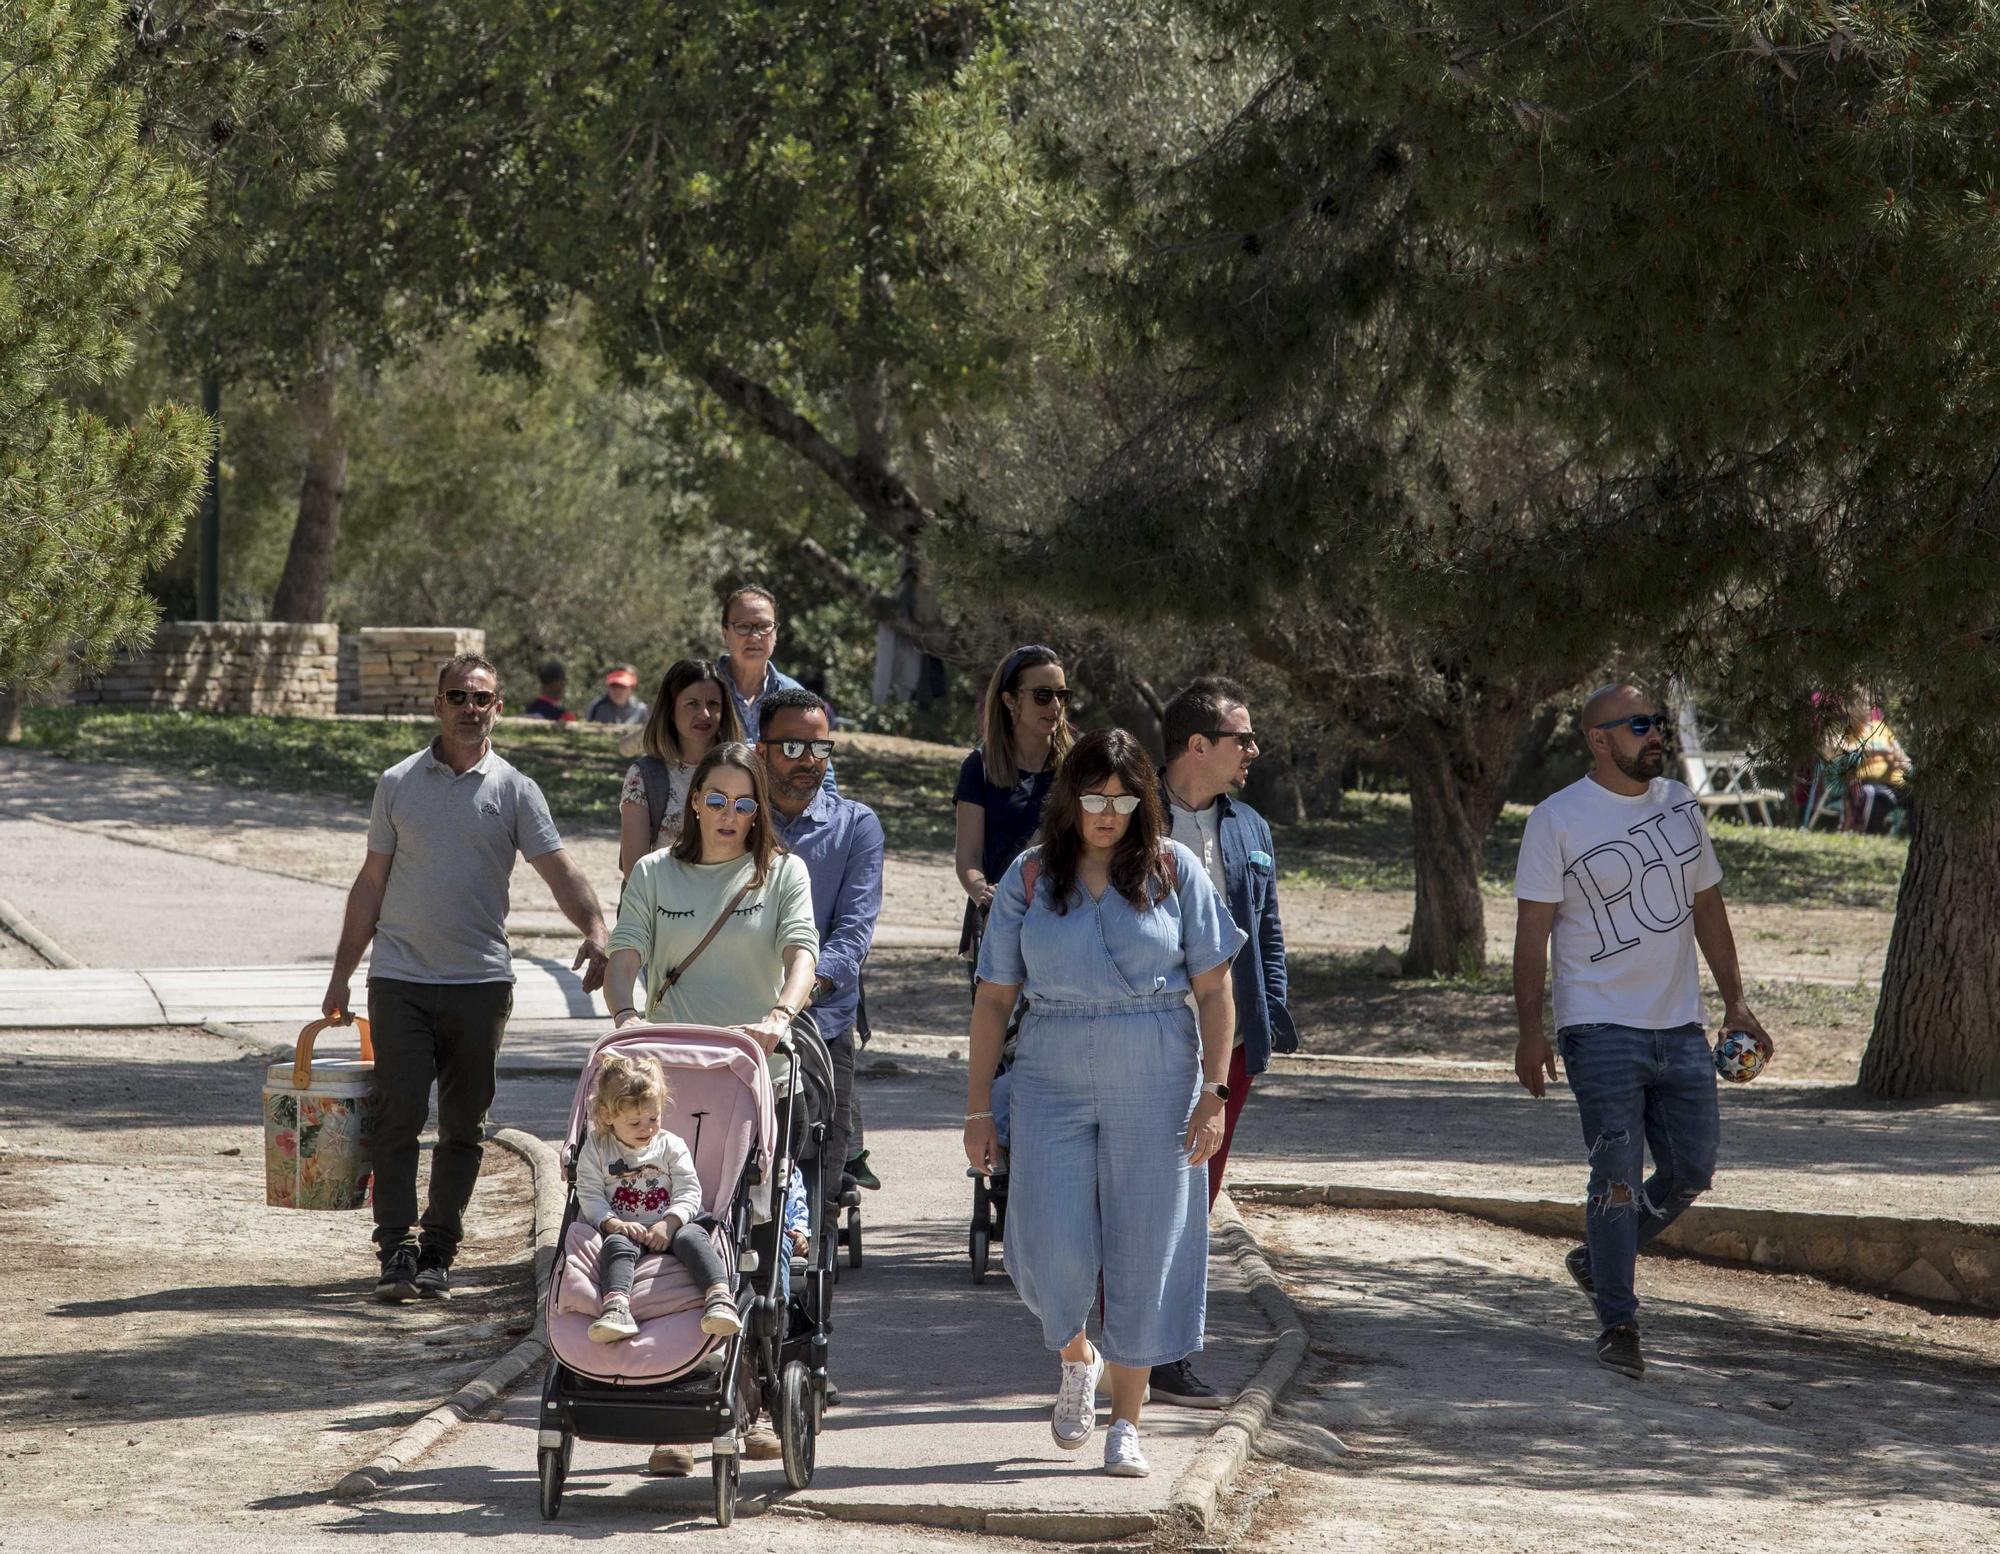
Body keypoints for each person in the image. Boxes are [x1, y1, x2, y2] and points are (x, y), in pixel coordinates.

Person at [965, 729, 1244, 1479]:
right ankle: (1075, 1354)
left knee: (1145, 1246)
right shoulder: (1029, 877)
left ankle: (1127, 1422)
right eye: (1093, 797)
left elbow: (1216, 991)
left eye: (1122, 799)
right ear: (1069, 800)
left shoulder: (1173, 869)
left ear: (1141, 802)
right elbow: (993, 1001)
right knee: (1048, 1243)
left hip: (1156, 1068)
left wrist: (1213, 1094)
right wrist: (977, 1111)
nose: (1106, 813)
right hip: (1050, 1065)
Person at [321, 654, 608, 1303]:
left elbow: (560, 870)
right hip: (399, 979)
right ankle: (394, 1247)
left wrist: (595, 930)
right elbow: (371, 883)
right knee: (398, 1117)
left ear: (499, 706)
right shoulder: (397, 782)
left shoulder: (514, 789)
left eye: (482, 698)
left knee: (463, 1127)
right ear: (437, 704)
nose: (470, 708)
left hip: (480, 986)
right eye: (458, 696)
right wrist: (342, 975)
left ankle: (438, 1250)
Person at [1512, 683, 1775, 1380]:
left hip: (1681, 1027)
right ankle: (1619, 1322)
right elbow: (1532, 931)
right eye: (1640, 724)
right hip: (1598, 1030)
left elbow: (1708, 911)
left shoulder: (1682, 807)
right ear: (1600, 740)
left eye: (1658, 722)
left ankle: (1597, 1257)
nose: (1655, 733)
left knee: (1692, 1167)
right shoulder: (1556, 819)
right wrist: (1529, 1032)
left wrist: (1737, 1003)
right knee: (1618, 1177)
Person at [604, 740, 819, 1469]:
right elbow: (626, 952)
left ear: (762, 809)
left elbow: (801, 953)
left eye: (745, 803)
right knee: (670, 1232)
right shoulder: (654, 874)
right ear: (694, 801)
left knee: (755, 1244)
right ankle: (677, 1402)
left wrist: (781, 1015)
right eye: (717, 800)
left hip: (758, 1082)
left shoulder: (782, 873)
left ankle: (755, 1397)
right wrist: (627, 1014)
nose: (730, 816)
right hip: (669, 1093)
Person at [1148, 675, 1297, 1408]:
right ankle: (1115, 1342)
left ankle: (1166, 1353)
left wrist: (1270, 1017)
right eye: (1243, 738)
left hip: (1225, 1046)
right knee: (1131, 1190)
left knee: (1196, 1195)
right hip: (1137, 1038)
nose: (1254, 750)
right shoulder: (1126, 813)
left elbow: (1266, 934)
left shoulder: (1251, 828)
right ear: (1198, 746)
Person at [756, 687, 885, 1207]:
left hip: (819, 1023)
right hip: (735, 1016)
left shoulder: (856, 827)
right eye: (791, 748)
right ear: (759, 749)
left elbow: (854, 931)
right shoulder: (736, 818)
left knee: (815, 1178)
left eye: (819, 748)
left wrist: (798, 992)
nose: (808, 760)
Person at [578, 1053, 742, 1343]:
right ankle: (616, 1306)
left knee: (694, 1239)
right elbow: (590, 1194)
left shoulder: (670, 1145)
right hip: (628, 1228)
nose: (647, 1129)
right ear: (607, 1116)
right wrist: (612, 1223)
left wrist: (670, 1222)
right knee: (615, 1247)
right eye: (635, 1122)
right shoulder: (597, 1149)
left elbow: (689, 1189)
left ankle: (719, 1297)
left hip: (674, 1223)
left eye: (653, 1118)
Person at [954, 644, 1072, 986]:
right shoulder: (979, 767)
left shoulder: (1078, 768)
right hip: (998, 922)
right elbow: (968, 857)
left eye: (1062, 696)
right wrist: (983, 893)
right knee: (998, 1035)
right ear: (1009, 700)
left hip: (1064, 919)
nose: (1055, 706)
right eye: (1042, 695)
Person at [619, 660, 744, 879]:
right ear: (670, 710)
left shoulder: (744, 770)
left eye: (713, 704)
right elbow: (635, 871)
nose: (704, 713)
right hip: (663, 905)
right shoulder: (644, 776)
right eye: (692, 703)